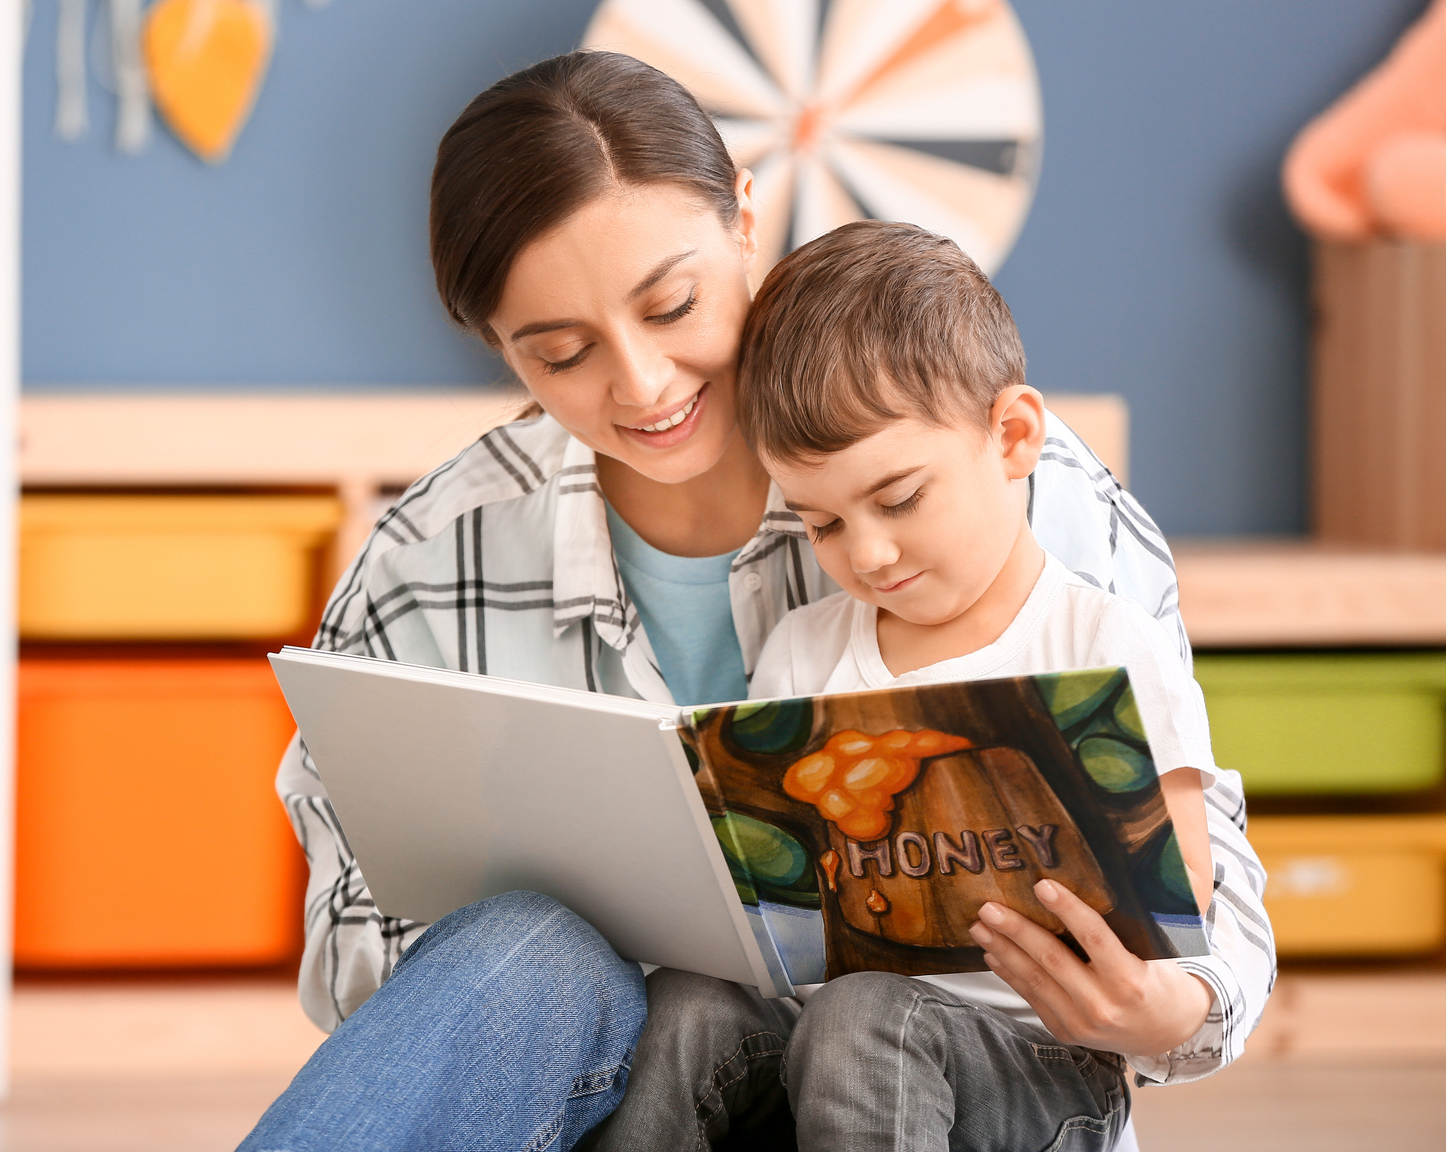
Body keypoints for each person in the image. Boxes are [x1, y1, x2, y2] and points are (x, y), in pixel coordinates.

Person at [236, 51, 1270, 1152]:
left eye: (671, 304)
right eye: (563, 353)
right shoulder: (428, 562)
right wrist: (594, 945)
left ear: (743, 216)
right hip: (638, 1085)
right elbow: (366, 968)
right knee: (538, 950)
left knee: (865, 1025)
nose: (640, 385)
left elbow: (1210, 908)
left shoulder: (1014, 487)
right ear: (500, 350)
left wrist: (1162, 1007)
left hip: (944, 1095)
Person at [597, 219, 1274, 1151]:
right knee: (685, 1005)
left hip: (1044, 1074)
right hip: (839, 1060)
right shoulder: (803, 650)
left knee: (873, 1015)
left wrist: (1128, 986)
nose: (867, 555)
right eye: (823, 524)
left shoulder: (1102, 642)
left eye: (901, 498)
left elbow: (1179, 892)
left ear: (1013, 436)